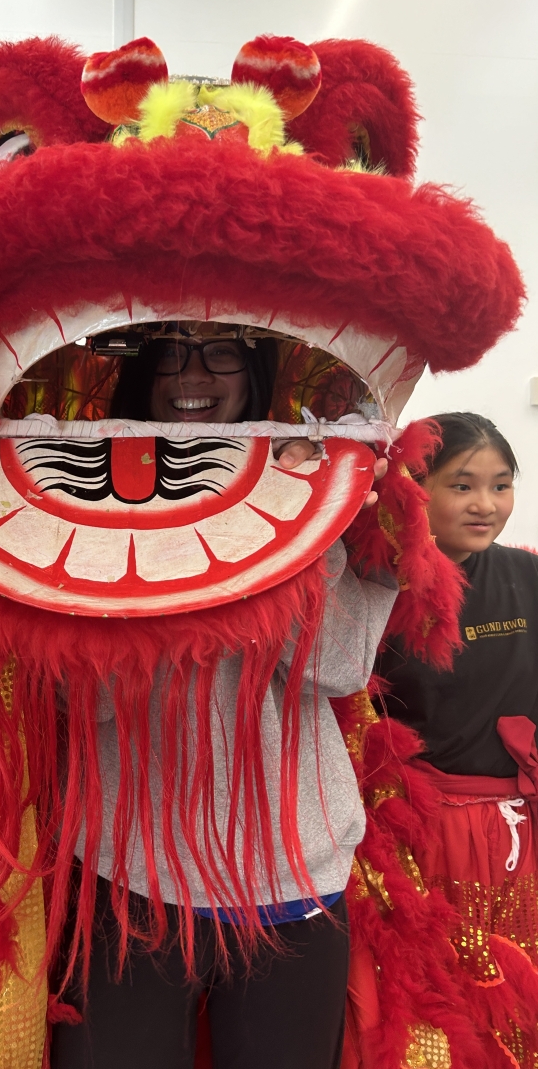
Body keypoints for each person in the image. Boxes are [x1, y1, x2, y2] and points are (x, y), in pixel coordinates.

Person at [48, 323, 394, 1069]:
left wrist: (301, 527)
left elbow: (333, 668)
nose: (192, 373)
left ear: (256, 366)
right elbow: (84, 703)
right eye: (170, 352)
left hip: (295, 869)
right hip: (128, 870)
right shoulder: (81, 496)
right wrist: (144, 547)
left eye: (221, 350)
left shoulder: (329, 484)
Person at [376, 414, 538, 1007]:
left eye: (501, 485)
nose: (486, 505)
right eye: (462, 485)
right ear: (415, 492)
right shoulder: (379, 588)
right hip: (421, 839)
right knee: (442, 1004)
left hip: (520, 833)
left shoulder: (528, 576)